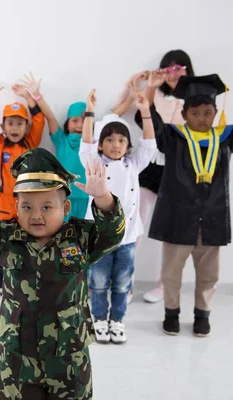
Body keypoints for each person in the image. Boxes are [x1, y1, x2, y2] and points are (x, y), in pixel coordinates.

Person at [0, 148, 126, 399]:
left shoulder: (81, 238)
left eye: (47, 206)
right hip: (17, 356)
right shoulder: (7, 237)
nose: (36, 215)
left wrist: (103, 197)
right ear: (16, 206)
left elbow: (112, 234)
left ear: (66, 207)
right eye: (27, 207)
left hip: (68, 357)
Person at [136, 72, 233, 336]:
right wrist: (152, 89)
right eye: (196, 113)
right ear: (185, 114)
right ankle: (171, 314)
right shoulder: (174, 138)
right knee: (171, 274)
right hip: (178, 218)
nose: (202, 118)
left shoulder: (225, 138)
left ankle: (202, 315)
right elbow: (151, 120)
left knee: (209, 274)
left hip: (211, 218)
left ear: (215, 113)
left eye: (208, 112)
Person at [113, 49, 196, 303]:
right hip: (149, 165)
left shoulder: (195, 98)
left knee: (173, 230)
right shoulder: (157, 93)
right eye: (169, 68)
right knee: (134, 225)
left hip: (179, 169)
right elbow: (142, 114)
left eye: (180, 68)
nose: (174, 73)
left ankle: (165, 285)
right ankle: (124, 284)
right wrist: (149, 87)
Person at [79, 90, 156, 344]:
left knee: (122, 284)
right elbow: (86, 144)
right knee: (98, 283)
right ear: (101, 145)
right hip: (101, 238)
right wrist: (90, 111)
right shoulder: (94, 163)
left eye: (121, 140)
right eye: (109, 140)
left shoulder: (133, 165)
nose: (115, 145)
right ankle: (99, 319)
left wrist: (145, 110)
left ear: (128, 145)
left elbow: (150, 144)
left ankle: (117, 321)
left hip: (128, 239)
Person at [0, 73, 46, 295]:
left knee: (26, 240)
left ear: (26, 126)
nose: (15, 128)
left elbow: (40, 121)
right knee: (0, 241)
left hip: (26, 203)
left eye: (20, 123)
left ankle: (22, 275)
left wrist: (30, 98)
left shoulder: (31, 143)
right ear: (4, 126)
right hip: (2, 203)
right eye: (11, 123)